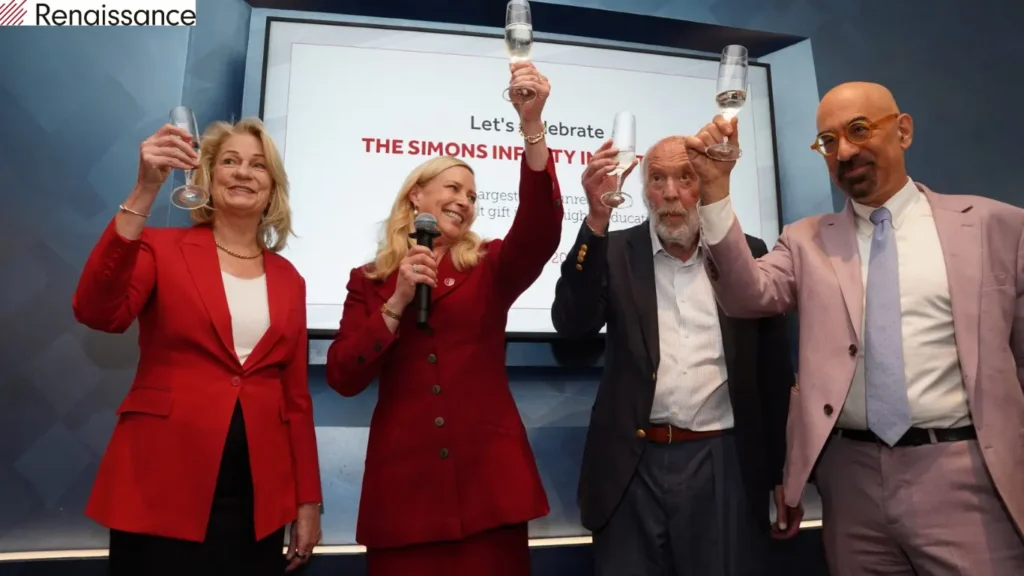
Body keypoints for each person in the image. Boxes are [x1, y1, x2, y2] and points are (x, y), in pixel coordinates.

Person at [686, 81, 1024, 575]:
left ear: (903, 131)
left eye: (858, 130)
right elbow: (745, 296)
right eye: (828, 141)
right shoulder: (804, 241)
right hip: (851, 479)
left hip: (966, 469)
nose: (844, 151)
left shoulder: (997, 226)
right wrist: (714, 194)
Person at [323, 62, 560, 576]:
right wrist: (397, 302)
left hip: (489, 491)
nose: (464, 201)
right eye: (452, 188)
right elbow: (343, 375)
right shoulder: (369, 280)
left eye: (472, 196)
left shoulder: (490, 267)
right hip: (405, 497)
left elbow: (541, 229)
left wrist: (532, 128)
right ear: (417, 197)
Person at [72, 117, 323, 575]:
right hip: (159, 485)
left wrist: (309, 501)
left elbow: (296, 399)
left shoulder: (290, 279)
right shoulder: (158, 248)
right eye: (230, 161)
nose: (243, 172)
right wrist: (144, 190)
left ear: (273, 188)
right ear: (207, 176)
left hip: (256, 499)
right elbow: (97, 311)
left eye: (258, 165)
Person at [551, 135, 796, 576]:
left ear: (705, 183)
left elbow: (773, 373)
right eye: (657, 179)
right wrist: (595, 222)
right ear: (643, 191)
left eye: (685, 177)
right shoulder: (617, 252)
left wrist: (781, 473)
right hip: (631, 466)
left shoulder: (750, 253)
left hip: (722, 460)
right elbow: (571, 324)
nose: (669, 193)